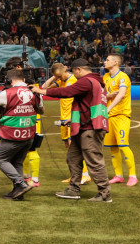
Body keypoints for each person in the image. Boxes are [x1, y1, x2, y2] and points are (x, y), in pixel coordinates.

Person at [37, 58, 111, 202]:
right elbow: (88, 103)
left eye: (74, 72)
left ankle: (104, 193)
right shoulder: (96, 81)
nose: (74, 75)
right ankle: (73, 189)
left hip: (90, 128)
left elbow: (66, 92)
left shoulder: (86, 81)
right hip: (85, 125)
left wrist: (41, 91)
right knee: (73, 158)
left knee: (94, 161)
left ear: (78, 70)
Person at [0, 68, 40, 200]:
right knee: (17, 162)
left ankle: (21, 184)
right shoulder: (34, 92)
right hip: (28, 133)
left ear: (10, 80)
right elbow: (42, 110)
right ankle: (18, 192)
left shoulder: (7, 92)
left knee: (0, 159)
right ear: (24, 80)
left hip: (11, 133)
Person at [41, 62, 87, 186]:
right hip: (63, 118)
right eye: (58, 77)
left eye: (60, 76)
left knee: (75, 148)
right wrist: (55, 77)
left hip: (71, 118)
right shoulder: (61, 81)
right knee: (69, 148)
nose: (59, 78)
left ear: (65, 70)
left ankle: (84, 175)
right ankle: (74, 175)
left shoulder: (74, 80)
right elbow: (43, 87)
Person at [103, 54, 138, 187]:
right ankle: (118, 175)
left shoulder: (123, 77)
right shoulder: (105, 77)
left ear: (115, 62)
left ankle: (133, 176)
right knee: (113, 147)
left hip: (121, 115)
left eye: (107, 60)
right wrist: (107, 96)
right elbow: (102, 95)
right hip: (110, 116)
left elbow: (122, 94)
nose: (104, 62)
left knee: (123, 145)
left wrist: (109, 107)